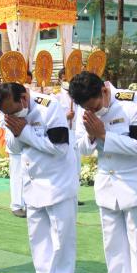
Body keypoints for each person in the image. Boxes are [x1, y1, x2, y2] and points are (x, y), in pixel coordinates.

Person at [69, 72, 137, 273]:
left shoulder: (131, 101)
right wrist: (91, 136)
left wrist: (103, 135)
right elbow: (79, 147)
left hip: (135, 186)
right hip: (107, 188)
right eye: (86, 108)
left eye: (94, 105)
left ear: (104, 90)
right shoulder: (84, 107)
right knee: (113, 249)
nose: (91, 111)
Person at [0, 82, 79, 273]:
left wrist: (25, 133)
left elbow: (58, 148)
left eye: (14, 110)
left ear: (23, 98)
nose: (12, 115)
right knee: (38, 239)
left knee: (61, 241)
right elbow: (13, 147)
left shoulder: (49, 107)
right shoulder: (10, 112)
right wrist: (17, 131)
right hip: (32, 185)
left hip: (57, 184)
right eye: (7, 113)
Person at [3, 70, 34, 218]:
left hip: (28, 144)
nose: (26, 81)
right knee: (16, 175)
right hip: (14, 144)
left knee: (29, 175)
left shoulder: (27, 98)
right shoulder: (6, 98)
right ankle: (16, 204)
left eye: (28, 79)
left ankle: (29, 203)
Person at [55, 68, 85, 206]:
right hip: (64, 133)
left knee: (76, 165)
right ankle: (63, 195)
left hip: (76, 133)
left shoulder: (78, 95)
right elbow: (52, 117)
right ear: (61, 79)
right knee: (65, 165)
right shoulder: (56, 96)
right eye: (65, 78)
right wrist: (65, 116)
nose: (67, 81)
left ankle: (74, 195)